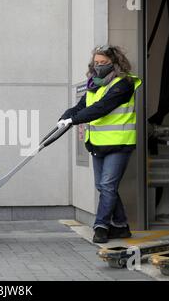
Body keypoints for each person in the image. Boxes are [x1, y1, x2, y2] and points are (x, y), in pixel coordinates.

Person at [58, 45, 142, 243]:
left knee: (107, 185)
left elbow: (101, 108)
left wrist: (74, 120)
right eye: (96, 63)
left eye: (103, 63)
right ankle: (121, 226)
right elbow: (81, 106)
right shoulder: (95, 85)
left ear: (115, 63)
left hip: (119, 144)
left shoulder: (123, 84)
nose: (99, 66)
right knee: (103, 186)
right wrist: (65, 117)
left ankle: (101, 226)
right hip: (98, 144)